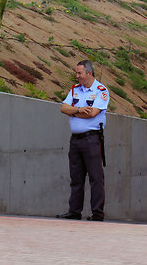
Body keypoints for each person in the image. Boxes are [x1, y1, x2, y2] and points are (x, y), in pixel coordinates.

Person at [57, 60, 110, 221]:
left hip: (91, 139)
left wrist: (72, 112)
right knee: (76, 177)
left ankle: (97, 213)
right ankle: (74, 211)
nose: (77, 76)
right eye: (77, 72)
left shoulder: (101, 90)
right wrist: (79, 109)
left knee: (95, 177)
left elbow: (92, 113)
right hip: (75, 140)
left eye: (80, 73)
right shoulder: (75, 89)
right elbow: (63, 108)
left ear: (89, 73)